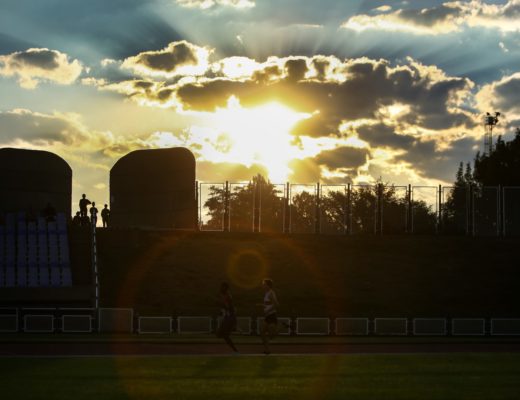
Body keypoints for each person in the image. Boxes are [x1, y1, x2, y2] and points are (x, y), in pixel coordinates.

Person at [216, 282, 239, 354]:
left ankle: (236, 351)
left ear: (225, 288)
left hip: (230, 318)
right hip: (228, 318)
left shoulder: (227, 296)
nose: (220, 288)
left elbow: (230, 308)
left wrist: (225, 310)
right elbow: (226, 307)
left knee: (223, 335)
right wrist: (222, 311)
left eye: (222, 287)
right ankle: (236, 351)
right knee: (220, 335)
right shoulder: (224, 296)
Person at [259, 278, 279, 355]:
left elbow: (276, 304)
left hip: (272, 315)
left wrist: (268, 310)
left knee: (272, 336)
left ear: (268, 285)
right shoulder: (266, 293)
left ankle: (281, 327)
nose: (263, 286)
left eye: (264, 284)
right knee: (262, 332)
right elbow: (268, 304)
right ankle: (267, 349)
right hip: (267, 316)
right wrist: (263, 306)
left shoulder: (271, 293)